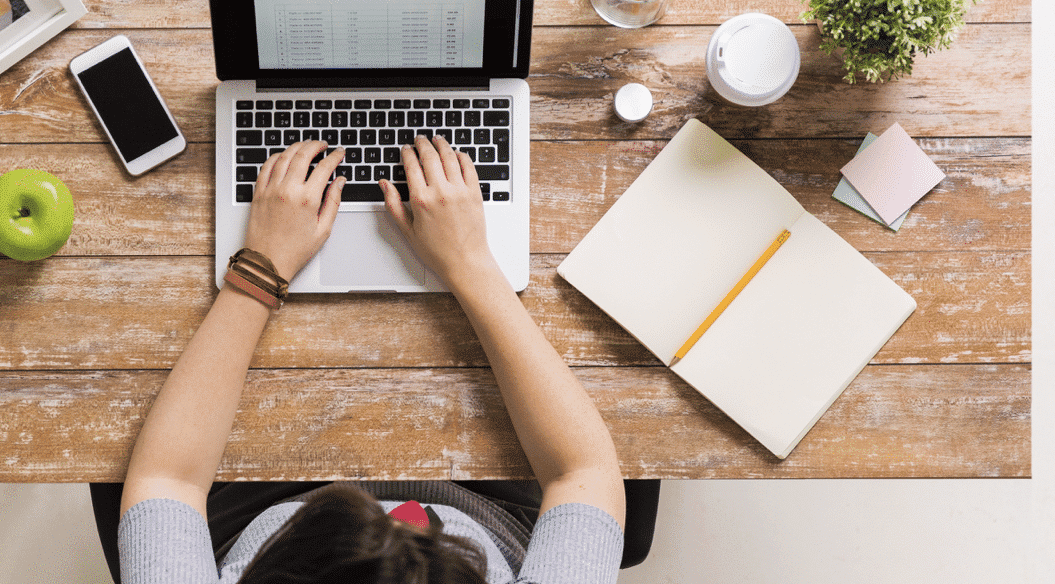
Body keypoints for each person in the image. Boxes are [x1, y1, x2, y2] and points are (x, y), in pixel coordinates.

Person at [91, 137, 654, 583]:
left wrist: (259, 270)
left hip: (259, 503)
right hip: (491, 504)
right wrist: (471, 263)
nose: (390, 510)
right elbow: (583, 472)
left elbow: (168, 479)